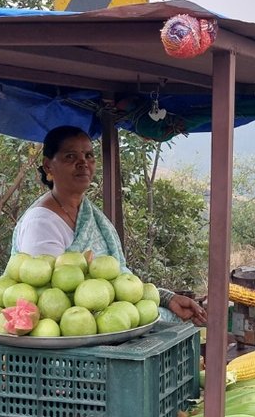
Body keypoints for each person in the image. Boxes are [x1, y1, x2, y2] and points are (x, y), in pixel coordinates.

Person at [11, 125, 207, 324]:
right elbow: (49, 301)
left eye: (88, 155)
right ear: (48, 166)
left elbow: (115, 282)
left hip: (111, 322)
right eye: (70, 156)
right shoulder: (41, 224)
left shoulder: (86, 212)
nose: (83, 163)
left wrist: (166, 298)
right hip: (75, 335)